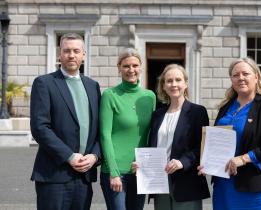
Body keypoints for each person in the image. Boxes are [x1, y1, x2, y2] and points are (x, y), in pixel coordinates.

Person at [198, 57, 261, 210]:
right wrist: (207, 163)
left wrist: (245, 158)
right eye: (235, 75)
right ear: (231, 79)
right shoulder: (225, 108)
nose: (240, 78)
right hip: (225, 186)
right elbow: (216, 142)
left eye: (245, 74)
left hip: (258, 189)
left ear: (256, 76)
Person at [30, 33, 101, 210]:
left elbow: (99, 128)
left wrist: (95, 156)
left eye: (76, 51)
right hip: (55, 175)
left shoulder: (93, 86)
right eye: (66, 50)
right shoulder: (44, 83)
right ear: (59, 54)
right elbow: (40, 127)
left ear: (84, 54)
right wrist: (69, 156)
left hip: (84, 176)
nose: (71, 55)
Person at [146, 64, 210, 210]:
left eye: (178, 80)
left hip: (186, 182)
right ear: (163, 85)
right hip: (160, 181)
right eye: (169, 81)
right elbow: (152, 147)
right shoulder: (157, 115)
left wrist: (183, 162)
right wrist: (143, 165)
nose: (173, 84)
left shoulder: (197, 112)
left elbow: (203, 146)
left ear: (185, 83)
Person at [99, 48, 156, 210]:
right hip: (116, 171)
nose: (131, 70)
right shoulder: (110, 95)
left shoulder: (149, 97)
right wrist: (114, 172)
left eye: (135, 65)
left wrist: (147, 163)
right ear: (119, 68)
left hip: (139, 170)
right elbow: (105, 135)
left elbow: (150, 134)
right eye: (126, 66)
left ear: (141, 67)